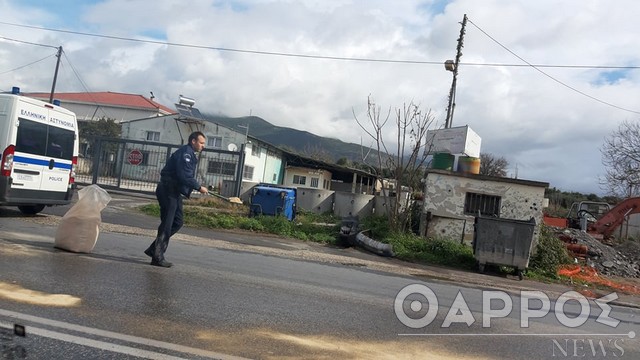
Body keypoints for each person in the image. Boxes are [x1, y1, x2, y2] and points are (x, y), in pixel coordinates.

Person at [144, 131, 208, 267]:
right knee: (167, 224)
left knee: (177, 222)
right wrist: (198, 187)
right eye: (201, 143)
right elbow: (183, 176)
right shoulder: (185, 154)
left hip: (174, 191)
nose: (203, 146)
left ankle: (153, 249)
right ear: (193, 141)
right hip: (168, 190)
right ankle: (157, 256)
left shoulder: (190, 154)